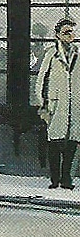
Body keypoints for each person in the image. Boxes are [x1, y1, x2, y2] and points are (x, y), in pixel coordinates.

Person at [37, 17, 80, 189]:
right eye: (66, 32)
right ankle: (54, 179)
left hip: (74, 105)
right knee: (54, 142)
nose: (70, 35)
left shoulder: (78, 54)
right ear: (57, 35)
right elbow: (41, 79)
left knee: (71, 142)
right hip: (55, 104)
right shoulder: (51, 54)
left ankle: (66, 178)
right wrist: (42, 103)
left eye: (72, 32)